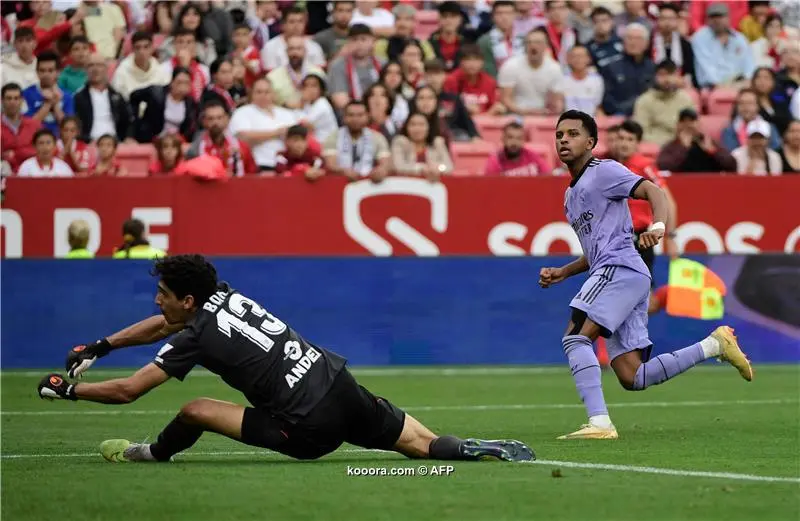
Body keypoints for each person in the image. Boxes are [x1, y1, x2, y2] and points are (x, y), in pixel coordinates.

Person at [38, 255, 535, 465]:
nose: (156, 302)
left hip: (305, 426)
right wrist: (104, 345)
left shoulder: (197, 336)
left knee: (193, 409)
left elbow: (130, 390)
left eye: (163, 294)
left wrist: (68, 389)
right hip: (336, 382)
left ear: (188, 300)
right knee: (419, 445)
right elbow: (162, 325)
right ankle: (467, 450)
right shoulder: (225, 295)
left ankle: (145, 455)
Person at [539, 109, 753, 440]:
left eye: (572, 133)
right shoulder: (570, 196)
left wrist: (658, 226)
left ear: (591, 142)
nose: (564, 139)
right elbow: (595, 249)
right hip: (621, 271)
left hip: (620, 268)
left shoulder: (605, 171)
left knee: (575, 336)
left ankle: (599, 423)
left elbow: (654, 191)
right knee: (632, 375)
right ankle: (715, 345)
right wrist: (563, 272)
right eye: (559, 135)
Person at [606, 120, 679, 310]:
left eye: (629, 139)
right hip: (614, 240)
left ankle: (666, 296)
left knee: (646, 302)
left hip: (639, 239)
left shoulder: (644, 166)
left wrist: (670, 237)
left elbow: (667, 200)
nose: (624, 143)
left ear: (637, 143)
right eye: (621, 138)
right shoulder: (609, 166)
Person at [228, 79, 297, 172]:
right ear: (252, 94)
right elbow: (243, 137)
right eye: (259, 92)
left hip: (286, 165)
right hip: (259, 165)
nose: (263, 95)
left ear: (273, 94)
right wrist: (277, 133)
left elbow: (297, 137)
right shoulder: (242, 112)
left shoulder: (286, 114)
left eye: (267, 92)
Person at [498, 29, 564, 116]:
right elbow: (505, 99)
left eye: (537, 42)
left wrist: (555, 107)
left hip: (544, 114)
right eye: (529, 42)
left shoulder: (555, 68)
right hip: (516, 114)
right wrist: (524, 112)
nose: (533, 45)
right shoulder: (510, 66)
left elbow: (557, 100)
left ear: (546, 45)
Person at [323, 100, 391, 182]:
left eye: (360, 115)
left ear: (368, 116)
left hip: (369, 184)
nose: (355, 119)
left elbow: (385, 163)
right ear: (344, 117)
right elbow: (331, 164)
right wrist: (344, 171)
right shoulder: (333, 137)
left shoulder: (378, 137)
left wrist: (380, 171)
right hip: (339, 184)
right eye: (351, 115)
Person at [692, 3, 755, 89]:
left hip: (739, 84)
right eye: (713, 17)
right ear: (707, 20)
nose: (717, 20)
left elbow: (749, 66)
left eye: (720, 16)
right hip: (712, 86)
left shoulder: (740, 38)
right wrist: (721, 86)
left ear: (728, 18)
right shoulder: (700, 37)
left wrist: (746, 81)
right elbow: (705, 68)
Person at [632, 60, 696, 146]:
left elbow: (693, 127)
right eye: (662, 75)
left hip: (682, 146)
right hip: (655, 147)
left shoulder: (686, 99)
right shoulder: (644, 101)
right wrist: (667, 143)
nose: (667, 79)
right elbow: (640, 133)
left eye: (671, 74)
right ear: (654, 77)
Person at [188, 99, 258, 176]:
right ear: (204, 122)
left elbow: (253, 175)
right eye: (211, 119)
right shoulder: (196, 148)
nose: (215, 122)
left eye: (219, 118)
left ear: (227, 119)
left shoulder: (242, 147)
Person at [598, 23, 655, 117]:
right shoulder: (611, 67)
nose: (633, 42)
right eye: (629, 38)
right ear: (623, 42)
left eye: (638, 39)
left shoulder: (653, 68)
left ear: (647, 44)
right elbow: (607, 99)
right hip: (618, 117)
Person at [656, 108, 737, 173]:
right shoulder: (672, 146)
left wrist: (712, 151)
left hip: (711, 185)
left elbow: (731, 165)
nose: (688, 125)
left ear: (699, 124)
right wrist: (683, 148)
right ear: (678, 125)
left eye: (692, 121)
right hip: (681, 187)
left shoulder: (710, 143)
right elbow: (663, 167)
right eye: (683, 122)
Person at [130, 68, 198, 144]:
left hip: (175, 143)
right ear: (172, 82)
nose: (182, 86)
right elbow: (134, 96)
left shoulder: (191, 103)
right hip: (153, 139)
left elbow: (189, 128)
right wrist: (138, 120)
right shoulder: (156, 93)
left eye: (186, 83)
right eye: (179, 82)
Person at [74, 53, 132, 143]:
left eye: (99, 65)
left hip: (114, 142)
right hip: (89, 143)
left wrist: (128, 137)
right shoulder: (78, 98)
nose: (95, 69)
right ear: (85, 70)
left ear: (106, 69)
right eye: (91, 65)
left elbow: (128, 120)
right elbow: (75, 126)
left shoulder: (117, 97)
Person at [328, 24, 383, 110]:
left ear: (373, 41)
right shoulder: (338, 66)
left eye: (363, 39)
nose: (359, 43)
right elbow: (340, 101)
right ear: (348, 42)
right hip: (352, 115)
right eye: (354, 40)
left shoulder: (383, 64)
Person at [424, 61, 480, 141]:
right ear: (424, 76)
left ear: (444, 75)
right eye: (430, 74)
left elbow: (467, 121)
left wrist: (475, 136)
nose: (433, 78)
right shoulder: (418, 98)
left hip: (453, 135)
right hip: (425, 134)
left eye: (437, 74)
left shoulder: (453, 98)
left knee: (464, 137)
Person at [23, 50, 75, 136]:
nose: (46, 74)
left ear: (58, 72)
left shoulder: (67, 96)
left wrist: (55, 105)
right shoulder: (26, 94)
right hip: (34, 141)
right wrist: (47, 104)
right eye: (42, 71)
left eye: (50, 70)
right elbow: (28, 127)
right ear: (36, 72)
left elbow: (68, 129)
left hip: (59, 142)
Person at [391, 111, 453, 181]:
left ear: (428, 127)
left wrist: (438, 168)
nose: (417, 129)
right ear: (406, 127)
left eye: (421, 124)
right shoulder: (400, 142)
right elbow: (398, 166)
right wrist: (422, 168)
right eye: (413, 124)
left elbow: (448, 167)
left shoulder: (437, 142)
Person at [443, 44, 503, 115]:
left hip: (486, 121)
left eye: (476, 59)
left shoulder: (490, 82)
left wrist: (494, 110)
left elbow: (495, 107)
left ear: (482, 62)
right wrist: (464, 107)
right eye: (468, 59)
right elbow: (448, 108)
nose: (472, 64)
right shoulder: (452, 80)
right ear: (460, 62)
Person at [267, 36, 325, 110]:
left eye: (298, 48)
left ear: (305, 51)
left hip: (313, 115)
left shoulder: (318, 73)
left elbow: (324, 99)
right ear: (286, 52)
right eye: (291, 49)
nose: (295, 52)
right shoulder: (272, 77)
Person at [261, 7, 325, 72]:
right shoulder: (270, 47)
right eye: (292, 22)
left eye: (300, 21)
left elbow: (319, 74)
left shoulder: (314, 47)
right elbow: (269, 76)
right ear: (283, 25)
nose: (296, 26)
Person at [112, 31, 170, 101]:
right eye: (138, 48)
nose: (142, 52)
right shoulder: (122, 71)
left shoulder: (160, 70)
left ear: (152, 48)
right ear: (133, 49)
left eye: (146, 47)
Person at [650, 3, 695, 88]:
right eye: (663, 18)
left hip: (680, 84)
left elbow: (690, 71)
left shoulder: (685, 44)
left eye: (671, 19)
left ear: (677, 21)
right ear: (657, 21)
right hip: (654, 85)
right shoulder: (650, 43)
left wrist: (681, 80)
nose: (667, 22)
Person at [160, 28, 211, 101]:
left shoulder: (204, 70)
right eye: (180, 42)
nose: (184, 45)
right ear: (174, 45)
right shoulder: (164, 68)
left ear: (195, 45)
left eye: (189, 42)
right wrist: (184, 67)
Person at [483, 121, 550, 176]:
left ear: (524, 140)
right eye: (510, 137)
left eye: (519, 138)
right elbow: (490, 186)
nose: (514, 142)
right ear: (503, 139)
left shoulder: (532, 156)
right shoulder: (495, 160)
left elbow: (548, 177)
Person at [1, 83, 41, 172]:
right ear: (2, 100)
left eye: (16, 98)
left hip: (31, 171)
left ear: (22, 100)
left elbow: (42, 150)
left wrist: (15, 153)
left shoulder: (34, 125)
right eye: (9, 98)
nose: (12, 102)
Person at [477, 1, 523, 78]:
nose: (504, 17)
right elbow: (487, 70)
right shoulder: (484, 41)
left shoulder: (524, 38)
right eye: (499, 13)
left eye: (509, 13)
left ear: (515, 15)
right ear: (492, 16)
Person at [429, 1, 474, 72]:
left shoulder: (468, 44)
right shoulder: (429, 44)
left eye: (453, 16)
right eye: (445, 16)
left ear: (460, 19)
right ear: (439, 19)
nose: (448, 20)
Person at [560, 44, 604, 115]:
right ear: (568, 59)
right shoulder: (561, 80)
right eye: (574, 56)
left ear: (589, 59)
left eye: (581, 56)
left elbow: (598, 106)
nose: (578, 59)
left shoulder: (597, 80)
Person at [750, 67, 793, 136]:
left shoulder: (779, 98)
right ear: (753, 81)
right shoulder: (749, 101)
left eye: (766, 78)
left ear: (773, 81)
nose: (762, 81)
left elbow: (788, 120)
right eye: (759, 78)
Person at [299, 74, 338, 144]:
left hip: (330, 144)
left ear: (321, 89)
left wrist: (301, 102)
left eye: (313, 86)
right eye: (306, 86)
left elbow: (302, 125)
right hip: (317, 143)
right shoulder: (307, 104)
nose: (309, 89)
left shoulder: (322, 103)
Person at [228, 23, 263, 91]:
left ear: (250, 36)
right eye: (237, 34)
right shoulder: (232, 54)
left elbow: (257, 71)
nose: (241, 38)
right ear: (233, 38)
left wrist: (243, 60)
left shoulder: (254, 52)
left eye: (244, 34)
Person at [587, 6, 623, 71]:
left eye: (604, 21)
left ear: (612, 22)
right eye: (596, 22)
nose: (600, 24)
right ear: (591, 24)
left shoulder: (623, 42)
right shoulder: (587, 48)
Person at [543, 0, 576, 70]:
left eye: (561, 8)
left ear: (568, 11)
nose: (557, 12)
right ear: (547, 12)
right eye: (553, 9)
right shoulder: (541, 33)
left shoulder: (574, 33)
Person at [379, 61, 411, 126]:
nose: (393, 76)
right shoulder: (374, 96)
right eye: (389, 72)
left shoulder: (406, 97)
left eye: (397, 73)